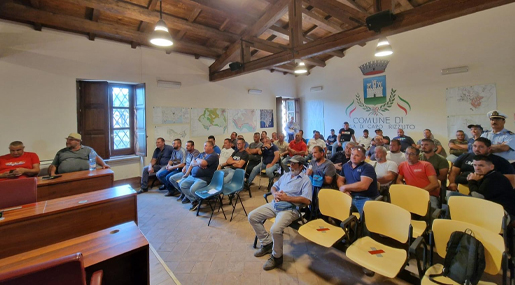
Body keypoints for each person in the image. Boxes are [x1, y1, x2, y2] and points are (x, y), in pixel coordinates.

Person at [248, 155, 312, 271]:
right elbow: (274, 187)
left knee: (275, 229)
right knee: (252, 216)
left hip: (290, 208)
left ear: (301, 166)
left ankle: (277, 257)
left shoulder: (305, 180)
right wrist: (275, 194)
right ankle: (267, 243)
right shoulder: (286, 175)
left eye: (294, 164)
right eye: (290, 163)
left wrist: (287, 198)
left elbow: (307, 200)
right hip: (276, 203)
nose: (291, 165)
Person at [447, 155, 515, 219]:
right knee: (452, 196)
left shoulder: (494, 178)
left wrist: (472, 181)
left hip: (500, 211)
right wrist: (471, 180)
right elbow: (458, 179)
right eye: (474, 165)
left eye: (481, 165)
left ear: (491, 167)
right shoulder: (483, 175)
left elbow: (477, 197)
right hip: (486, 204)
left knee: (453, 196)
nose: (477, 168)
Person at [448, 137, 515, 190]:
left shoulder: (500, 161)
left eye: (481, 147)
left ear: (489, 149)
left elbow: (511, 179)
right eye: (474, 146)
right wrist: (452, 183)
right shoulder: (464, 157)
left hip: (487, 191)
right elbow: (453, 172)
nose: (477, 149)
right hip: (462, 187)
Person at [337, 146, 379, 215]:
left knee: (367, 219)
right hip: (349, 195)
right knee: (333, 209)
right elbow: (340, 180)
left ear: (363, 158)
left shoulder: (367, 168)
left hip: (364, 197)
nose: (353, 157)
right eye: (352, 154)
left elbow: (363, 185)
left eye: (357, 155)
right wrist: (345, 190)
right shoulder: (346, 166)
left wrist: (345, 187)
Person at [179, 141, 219, 211]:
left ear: (211, 147)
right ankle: (195, 200)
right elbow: (192, 162)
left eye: (206, 146)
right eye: (204, 145)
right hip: (194, 176)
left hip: (204, 178)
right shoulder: (202, 154)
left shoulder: (214, 155)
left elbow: (203, 163)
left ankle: (199, 200)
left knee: (192, 189)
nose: (204, 147)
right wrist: (199, 163)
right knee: (182, 185)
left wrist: (199, 162)